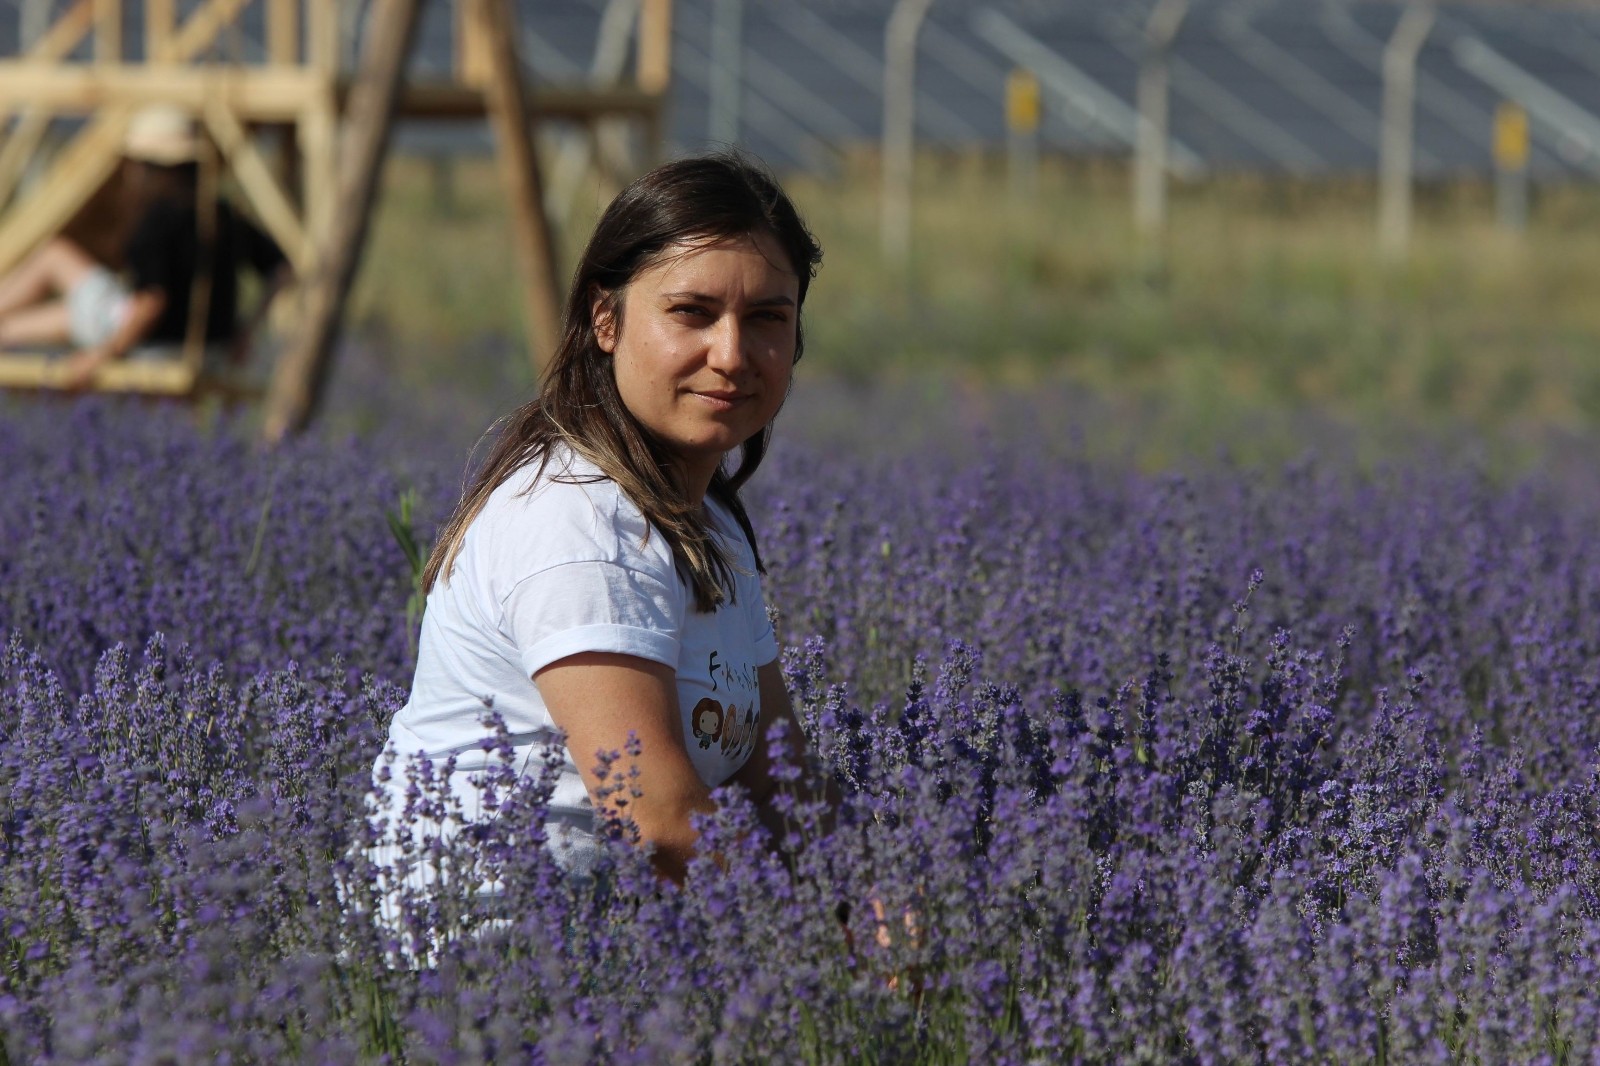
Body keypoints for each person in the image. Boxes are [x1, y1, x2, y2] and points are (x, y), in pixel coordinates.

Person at [372, 152, 828, 887]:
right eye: (691, 313)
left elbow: (782, 781)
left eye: (768, 318)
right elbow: (658, 818)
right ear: (605, 319)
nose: (733, 354)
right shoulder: (580, 520)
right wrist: (830, 935)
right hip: (489, 969)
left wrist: (879, 899)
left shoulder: (709, 522)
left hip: (626, 951)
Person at [0, 105, 289, 389]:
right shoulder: (221, 214)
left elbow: (151, 303)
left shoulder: (157, 221)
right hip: (214, 350)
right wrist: (245, 331)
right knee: (72, 312)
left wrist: (99, 357)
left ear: (146, 167)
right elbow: (281, 269)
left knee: (55, 255)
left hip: (153, 345)